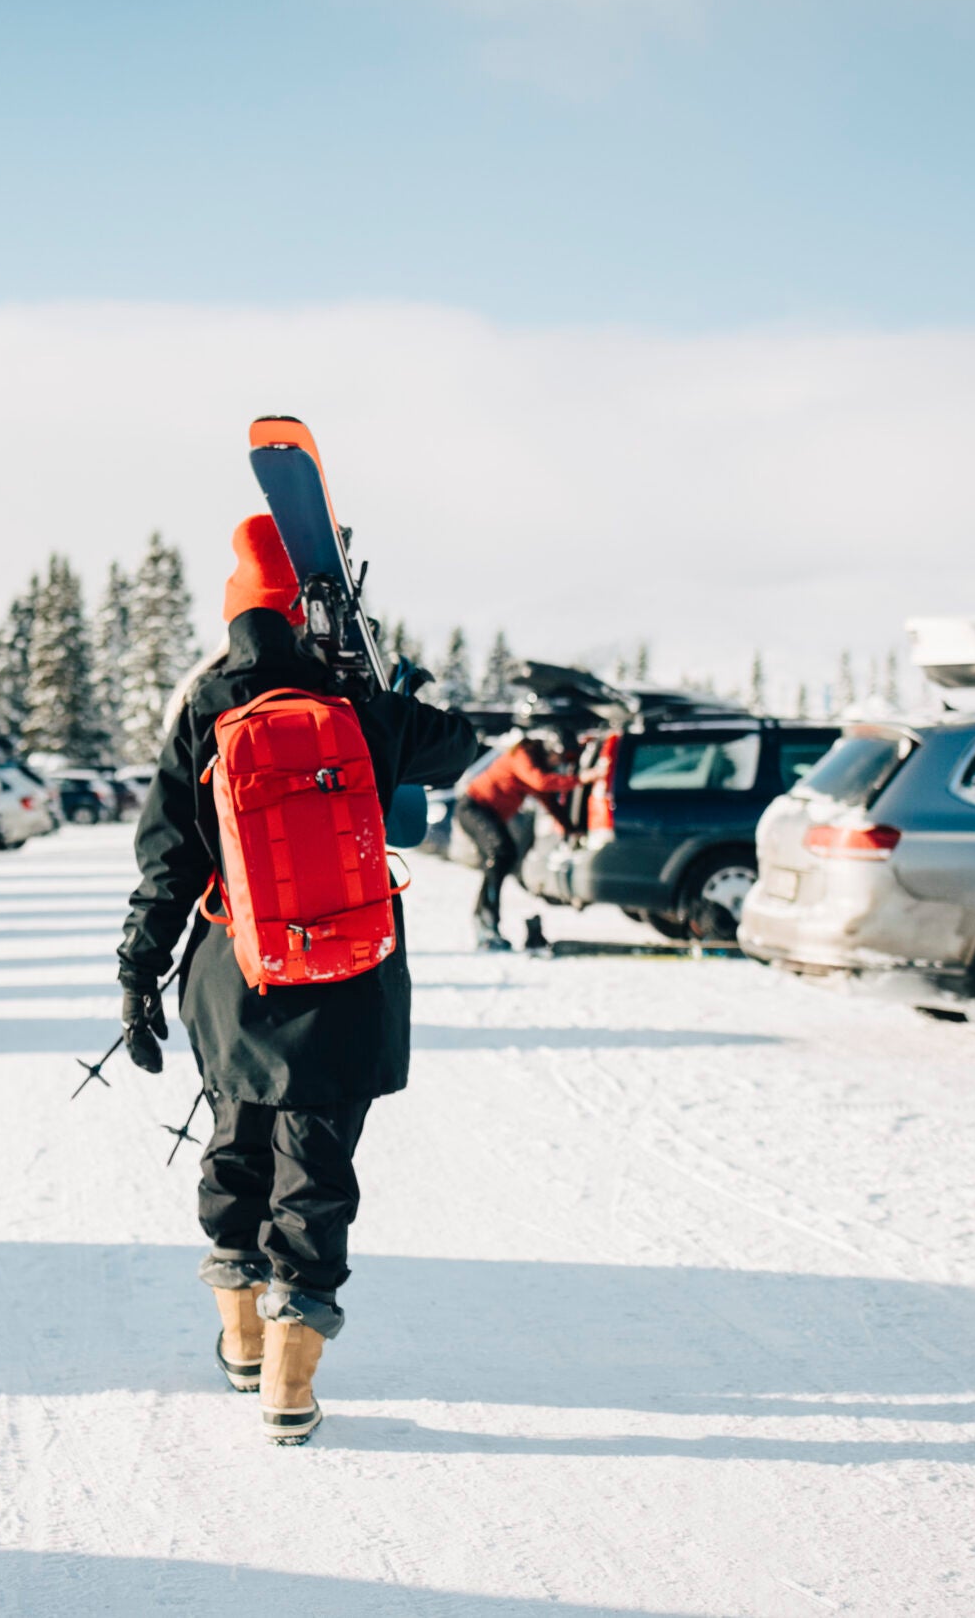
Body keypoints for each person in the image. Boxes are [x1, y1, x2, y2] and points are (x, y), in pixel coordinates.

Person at [117, 514, 479, 1445]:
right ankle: (288, 1378)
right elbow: (462, 744)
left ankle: (240, 1336)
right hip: (347, 984)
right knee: (314, 1171)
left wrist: (137, 973)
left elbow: (165, 861)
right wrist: (385, 681)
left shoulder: (204, 708)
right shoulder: (354, 703)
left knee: (236, 1143)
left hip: (235, 978)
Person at [454, 735, 575, 951]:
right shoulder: (523, 755)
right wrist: (583, 778)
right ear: (550, 749)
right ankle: (486, 922)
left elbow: (549, 801)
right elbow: (541, 781)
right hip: (473, 808)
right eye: (559, 758)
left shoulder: (537, 765)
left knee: (503, 858)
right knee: (501, 853)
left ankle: (485, 920)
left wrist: (571, 829)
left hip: (488, 813)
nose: (560, 764)